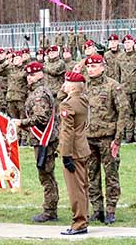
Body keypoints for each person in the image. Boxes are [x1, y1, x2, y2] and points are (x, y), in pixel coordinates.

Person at [14, 61, 59, 223]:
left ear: (41, 74)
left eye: (33, 74)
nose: (29, 78)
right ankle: (50, 208)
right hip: (41, 139)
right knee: (46, 175)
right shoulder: (37, 91)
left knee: (46, 175)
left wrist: (22, 122)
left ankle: (50, 210)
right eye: (28, 75)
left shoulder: (39, 94)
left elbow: (41, 118)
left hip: (44, 140)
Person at [86, 54, 128, 225]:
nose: (91, 69)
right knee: (91, 175)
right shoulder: (84, 87)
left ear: (102, 67)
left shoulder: (113, 86)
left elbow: (123, 113)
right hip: (88, 138)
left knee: (111, 175)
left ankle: (111, 209)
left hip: (107, 138)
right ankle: (97, 209)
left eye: (94, 66)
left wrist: (117, 140)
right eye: (88, 67)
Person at [58, 71, 91, 235]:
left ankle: (79, 222)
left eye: (66, 82)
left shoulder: (68, 104)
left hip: (73, 151)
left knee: (75, 188)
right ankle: (84, 217)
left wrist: (65, 154)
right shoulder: (83, 100)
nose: (63, 85)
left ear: (71, 85)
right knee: (83, 186)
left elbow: (67, 132)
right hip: (83, 147)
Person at [116, 35, 136, 143]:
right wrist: (118, 88)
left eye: (129, 42)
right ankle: (129, 134)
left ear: (133, 43)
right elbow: (117, 74)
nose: (127, 44)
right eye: (126, 42)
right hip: (125, 89)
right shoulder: (120, 57)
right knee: (127, 113)